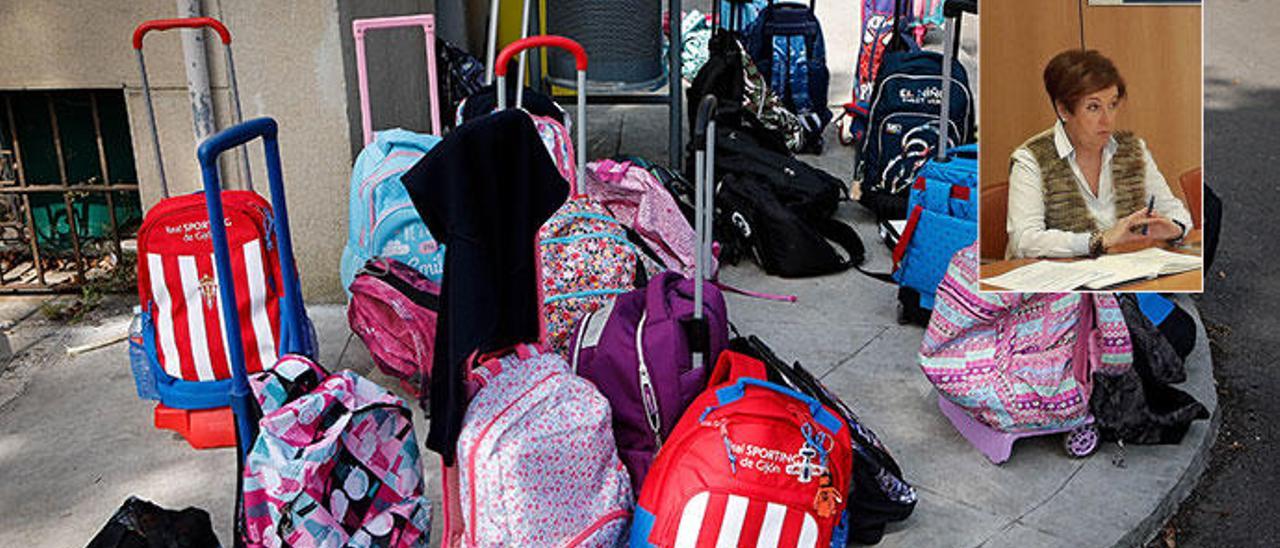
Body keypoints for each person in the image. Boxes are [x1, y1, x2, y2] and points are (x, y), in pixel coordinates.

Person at [1006, 49, 1192, 259]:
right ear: (1064, 110)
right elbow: (1025, 241)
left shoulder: (1133, 149)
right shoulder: (1030, 159)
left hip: (1124, 273)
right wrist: (1099, 240)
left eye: (1112, 105)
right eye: (1093, 107)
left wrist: (1174, 228)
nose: (1107, 119)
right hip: (1062, 283)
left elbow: (1174, 210)